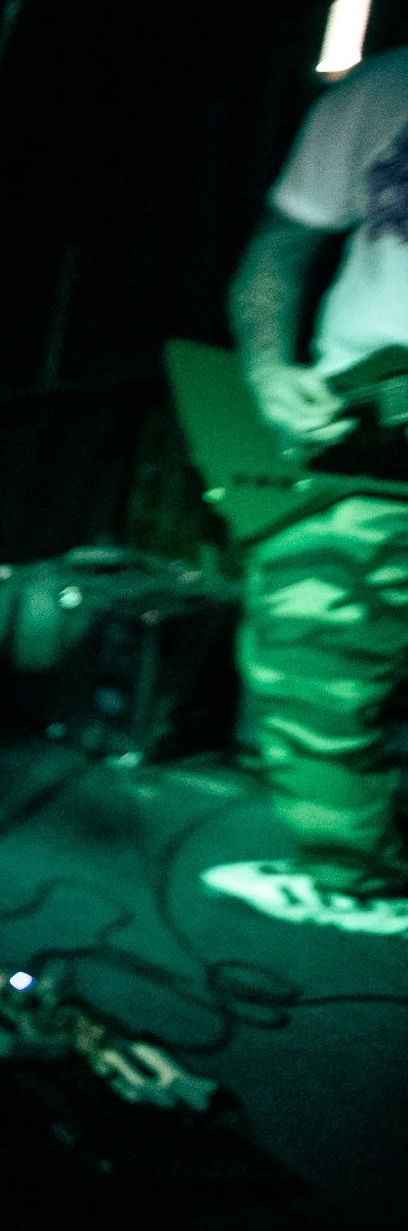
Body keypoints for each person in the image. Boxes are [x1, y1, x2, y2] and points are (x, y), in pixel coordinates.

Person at [203, 45, 408, 935]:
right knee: (306, 657)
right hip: (366, 425)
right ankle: (361, 883)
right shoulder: (386, 86)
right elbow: (278, 245)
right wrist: (267, 367)